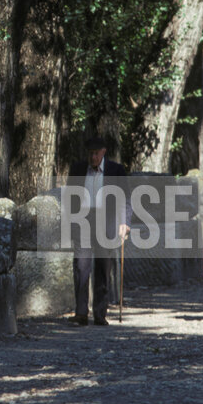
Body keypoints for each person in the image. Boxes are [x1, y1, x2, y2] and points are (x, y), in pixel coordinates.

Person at [67, 136, 130, 326]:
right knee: (81, 266)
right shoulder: (77, 169)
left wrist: (124, 222)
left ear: (103, 152)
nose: (93, 157)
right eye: (90, 153)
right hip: (83, 221)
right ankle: (80, 313)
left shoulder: (116, 170)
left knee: (103, 268)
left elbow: (126, 199)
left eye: (96, 153)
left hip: (106, 221)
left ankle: (100, 313)